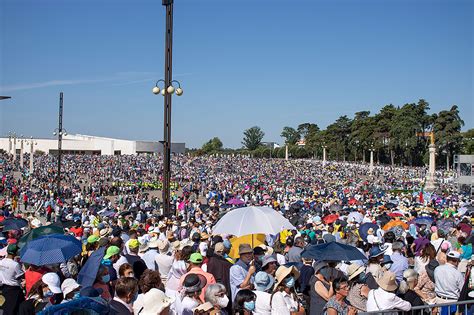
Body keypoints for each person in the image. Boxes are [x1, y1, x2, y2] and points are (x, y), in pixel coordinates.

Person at [0, 244, 25, 315]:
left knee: (5, 308)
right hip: (14, 290)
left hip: (3, 288)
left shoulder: (1, 262)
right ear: (15, 253)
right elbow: (20, 276)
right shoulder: (15, 264)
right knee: (13, 309)